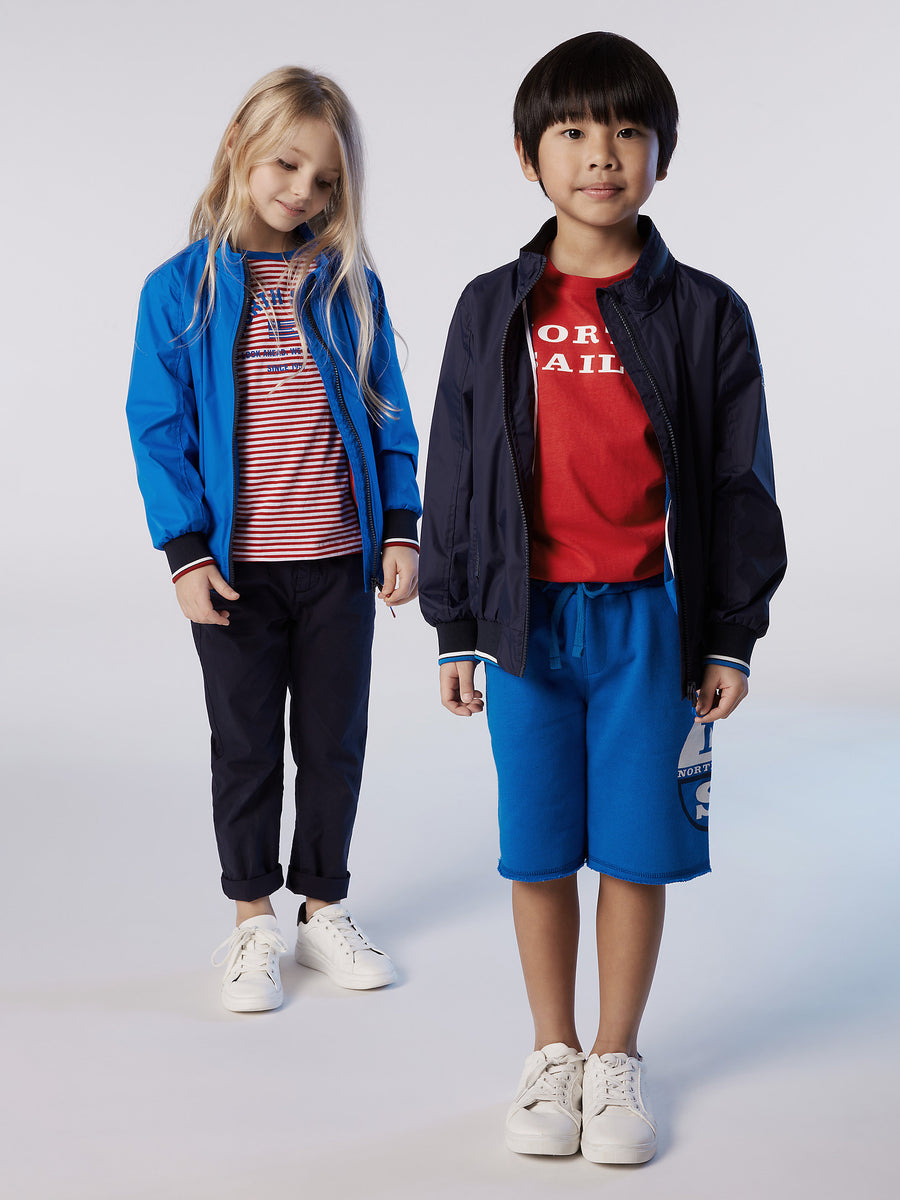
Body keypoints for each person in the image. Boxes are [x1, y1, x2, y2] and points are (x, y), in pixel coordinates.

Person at [419, 32, 786, 1163]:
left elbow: (739, 478)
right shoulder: (493, 307)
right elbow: (455, 465)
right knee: (536, 848)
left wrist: (729, 633)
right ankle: (553, 1049)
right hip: (524, 626)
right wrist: (457, 624)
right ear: (527, 154)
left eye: (629, 131)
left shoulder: (705, 312)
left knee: (635, 846)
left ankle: (617, 1055)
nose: (602, 155)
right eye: (574, 131)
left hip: (647, 627)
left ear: (664, 155)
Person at [126, 67, 420, 1013]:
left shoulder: (348, 287)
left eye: (326, 180)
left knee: (334, 743)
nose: (303, 191)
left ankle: (321, 907)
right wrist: (185, 551)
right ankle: (253, 920)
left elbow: (389, 412)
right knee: (246, 746)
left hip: (338, 564)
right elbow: (157, 428)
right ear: (239, 149)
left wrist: (401, 529)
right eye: (288, 165)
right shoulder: (180, 291)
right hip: (235, 576)